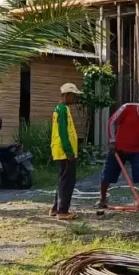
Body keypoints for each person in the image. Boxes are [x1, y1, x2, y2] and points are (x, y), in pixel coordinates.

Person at [50, 83, 82, 220]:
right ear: (67, 95)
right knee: (67, 181)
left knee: (63, 180)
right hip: (64, 152)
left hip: (62, 151)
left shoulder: (62, 108)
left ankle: (56, 208)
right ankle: (62, 211)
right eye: (73, 96)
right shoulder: (62, 109)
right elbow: (63, 132)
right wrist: (69, 151)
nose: (75, 99)